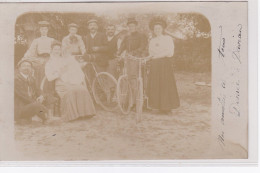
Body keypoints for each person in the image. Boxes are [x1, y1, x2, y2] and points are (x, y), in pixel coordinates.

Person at [45, 41, 96, 121]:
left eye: (59, 49)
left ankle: (85, 113)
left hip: (71, 81)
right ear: (52, 50)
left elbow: (73, 70)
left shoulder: (64, 59)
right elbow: (49, 77)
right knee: (71, 91)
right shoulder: (49, 63)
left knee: (82, 89)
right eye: (55, 49)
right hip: (59, 83)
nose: (57, 51)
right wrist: (59, 72)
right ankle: (71, 115)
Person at [147, 17, 180, 113]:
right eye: (155, 29)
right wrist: (150, 58)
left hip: (165, 64)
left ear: (162, 29)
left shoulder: (168, 38)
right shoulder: (152, 40)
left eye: (159, 28)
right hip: (155, 65)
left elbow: (169, 52)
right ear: (153, 30)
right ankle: (157, 106)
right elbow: (151, 52)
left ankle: (166, 107)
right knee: (156, 84)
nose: (157, 30)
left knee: (165, 84)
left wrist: (157, 56)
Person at [117, 17, 148, 108]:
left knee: (136, 79)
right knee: (126, 79)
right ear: (128, 27)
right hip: (128, 60)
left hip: (137, 59)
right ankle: (127, 101)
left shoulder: (141, 35)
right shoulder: (127, 36)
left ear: (136, 26)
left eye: (133, 25)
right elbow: (122, 46)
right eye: (130, 26)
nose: (131, 27)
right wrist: (118, 53)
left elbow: (143, 47)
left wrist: (133, 53)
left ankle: (137, 102)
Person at [22, 21, 55, 91]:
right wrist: (25, 57)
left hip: (50, 59)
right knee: (40, 71)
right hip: (40, 59)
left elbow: (56, 50)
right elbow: (31, 51)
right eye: (42, 29)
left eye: (45, 29)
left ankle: (51, 91)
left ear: (47, 30)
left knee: (52, 71)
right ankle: (40, 91)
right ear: (40, 30)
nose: (44, 31)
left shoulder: (52, 40)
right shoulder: (36, 40)